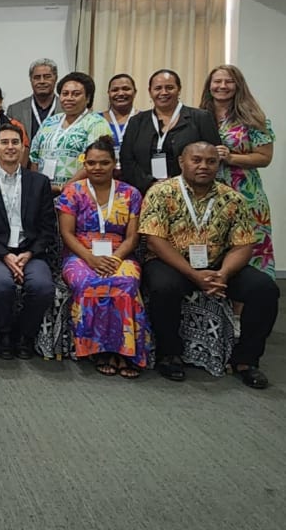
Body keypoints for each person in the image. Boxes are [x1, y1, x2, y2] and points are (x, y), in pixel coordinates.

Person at [138, 142, 280, 388]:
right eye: (196, 160)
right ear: (182, 162)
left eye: (211, 161)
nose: (203, 166)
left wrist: (223, 273)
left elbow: (243, 244)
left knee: (264, 289)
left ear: (218, 164)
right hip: (172, 263)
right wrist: (193, 275)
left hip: (218, 266)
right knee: (164, 287)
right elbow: (154, 241)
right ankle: (169, 354)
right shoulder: (161, 192)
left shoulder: (232, 198)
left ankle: (246, 360)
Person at [56, 136, 151, 378]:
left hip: (120, 254)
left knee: (126, 282)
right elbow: (67, 233)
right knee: (89, 283)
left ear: (114, 164)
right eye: (91, 163)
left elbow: (133, 237)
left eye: (104, 163)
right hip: (80, 254)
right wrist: (90, 258)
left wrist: (116, 259)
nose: (97, 168)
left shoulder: (131, 194)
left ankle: (126, 352)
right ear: (84, 164)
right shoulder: (73, 192)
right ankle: (99, 350)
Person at [0, 123, 57, 360]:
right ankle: (4, 335)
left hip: (29, 252)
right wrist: (5, 255)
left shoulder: (39, 182)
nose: (10, 147)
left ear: (23, 147)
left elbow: (47, 228)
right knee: (2, 284)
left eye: (15, 142)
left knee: (42, 287)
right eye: (4, 142)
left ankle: (25, 335)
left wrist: (29, 254)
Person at [199, 64, 276, 278]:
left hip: (246, 194)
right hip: (208, 194)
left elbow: (265, 157)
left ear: (238, 85)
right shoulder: (198, 116)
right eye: (217, 81)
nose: (222, 86)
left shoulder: (253, 118)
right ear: (209, 86)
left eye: (228, 81)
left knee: (250, 246)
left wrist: (231, 158)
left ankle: (254, 295)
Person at [119, 69, 221, 194]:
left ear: (179, 89)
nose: (164, 92)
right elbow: (127, 160)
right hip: (146, 192)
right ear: (150, 92)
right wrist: (151, 184)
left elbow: (213, 156)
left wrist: (179, 186)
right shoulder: (137, 121)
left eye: (169, 87)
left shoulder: (201, 118)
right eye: (158, 88)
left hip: (191, 192)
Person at [29, 72, 112, 194]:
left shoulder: (97, 123)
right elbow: (34, 156)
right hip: (44, 193)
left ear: (88, 98)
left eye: (76, 94)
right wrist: (39, 185)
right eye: (65, 94)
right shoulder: (50, 121)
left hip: (79, 193)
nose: (69, 98)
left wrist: (65, 188)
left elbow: (96, 162)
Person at [6, 58, 63, 139]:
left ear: (56, 78)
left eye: (47, 77)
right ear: (31, 80)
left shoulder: (66, 108)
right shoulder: (15, 110)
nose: (42, 81)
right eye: (37, 77)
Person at [101, 73, 138, 162]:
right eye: (115, 90)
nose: (120, 93)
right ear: (108, 93)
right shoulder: (96, 120)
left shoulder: (146, 120)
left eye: (126, 89)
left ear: (135, 92)